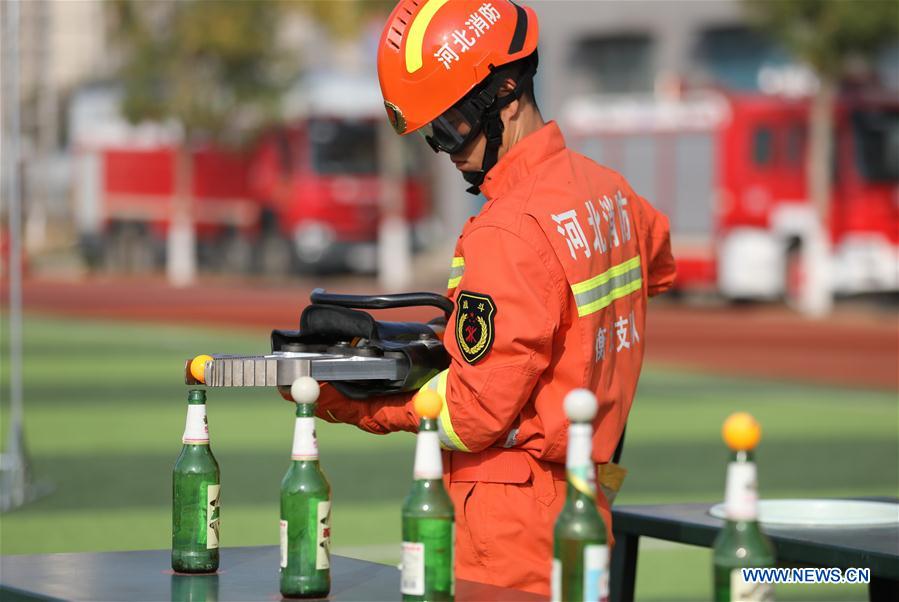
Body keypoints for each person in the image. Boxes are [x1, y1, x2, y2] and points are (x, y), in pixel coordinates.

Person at [312, 0, 676, 595]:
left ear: (504, 89)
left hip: (508, 533)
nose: (442, 146)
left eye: (449, 123)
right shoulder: (612, 194)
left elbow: (472, 416)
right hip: (586, 503)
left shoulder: (507, 229)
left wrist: (342, 397)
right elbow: (655, 268)